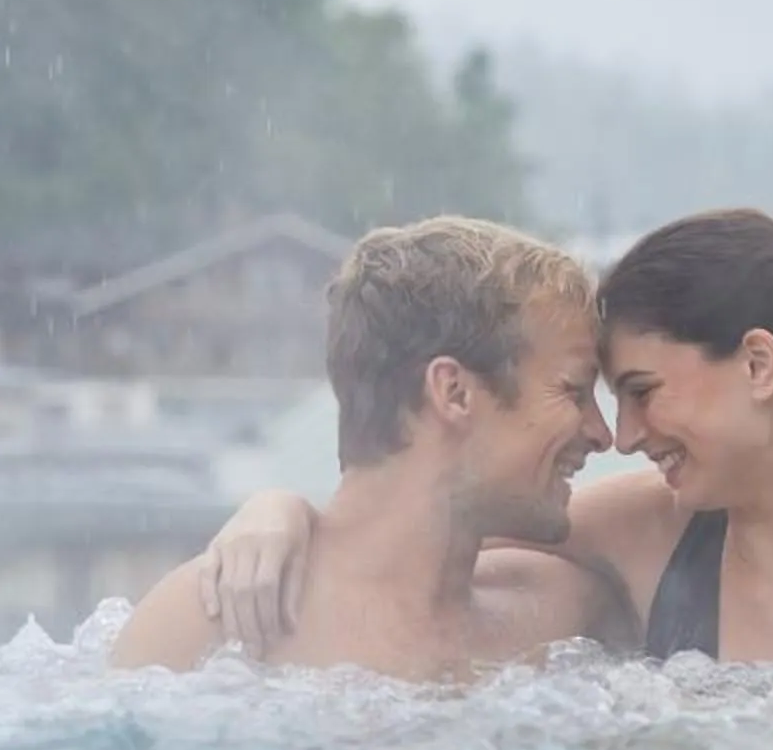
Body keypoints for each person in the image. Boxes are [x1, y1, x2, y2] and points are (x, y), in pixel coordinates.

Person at [195, 208, 773, 675]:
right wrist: (280, 513)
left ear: (758, 364)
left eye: (642, 393)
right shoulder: (647, 531)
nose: (622, 435)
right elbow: (417, 521)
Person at [110, 215, 626, 680]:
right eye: (573, 391)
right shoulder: (211, 628)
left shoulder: (564, 615)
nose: (603, 433)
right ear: (454, 392)